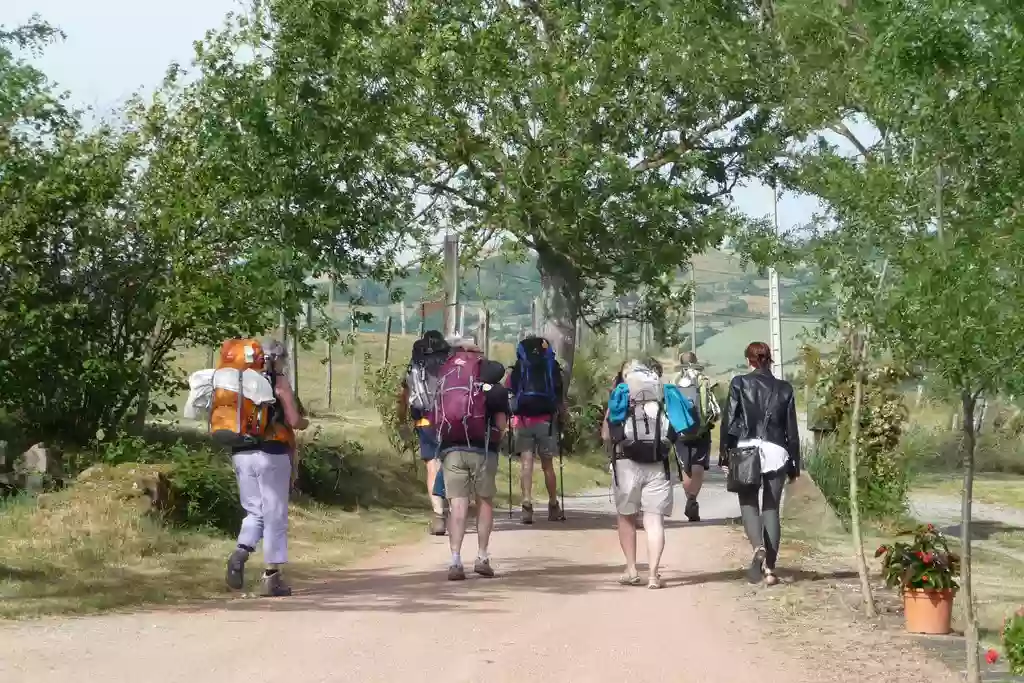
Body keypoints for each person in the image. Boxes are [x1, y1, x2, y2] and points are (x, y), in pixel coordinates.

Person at [225, 338, 309, 597]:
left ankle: (240, 551)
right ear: (277, 358)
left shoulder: (237, 380)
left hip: (241, 452)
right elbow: (293, 420)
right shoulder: (277, 380)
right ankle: (272, 577)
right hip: (271, 453)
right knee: (275, 514)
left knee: (254, 511)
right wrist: (304, 423)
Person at [719, 341, 800, 586]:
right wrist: (795, 463)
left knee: (748, 504)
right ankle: (770, 571)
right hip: (777, 451)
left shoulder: (739, 383)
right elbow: (792, 430)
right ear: (769, 359)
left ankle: (758, 548)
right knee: (772, 508)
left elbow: (729, 421)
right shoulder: (785, 388)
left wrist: (725, 453)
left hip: (746, 450)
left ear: (749, 360)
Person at [606, 358, 692, 589]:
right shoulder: (664, 392)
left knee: (626, 517)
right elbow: (681, 427)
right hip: (658, 464)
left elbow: (608, 434)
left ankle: (632, 569)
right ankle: (653, 575)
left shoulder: (621, 393)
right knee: (654, 521)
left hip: (626, 464)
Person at [437, 339, 510, 581]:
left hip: (451, 450)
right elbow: (501, 425)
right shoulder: (494, 388)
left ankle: (455, 560)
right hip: (483, 449)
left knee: (457, 505)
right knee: (484, 503)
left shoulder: (446, 379)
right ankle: (482, 556)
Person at [397, 330, 450, 536]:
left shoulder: (414, 367)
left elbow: (403, 397)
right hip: (448, 420)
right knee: (451, 463)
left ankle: (438, 516)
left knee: (432, 466)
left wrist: (401, 421)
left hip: (425, 421)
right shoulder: (449, 364)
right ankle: (455, 509)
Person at [507, 335, 565, 524]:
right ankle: (553, 505)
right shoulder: (552, 366)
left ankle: (526, 504)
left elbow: (510, 390)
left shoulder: (519, 367)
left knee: (526, 463)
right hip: (546, 421)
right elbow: (559, 393)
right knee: (547, 465)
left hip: (523, 420)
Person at [671, 351, 721, 522]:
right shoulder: (704, 380)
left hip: (680, 430)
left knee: (686, 466)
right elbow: (715, 410)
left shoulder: (674, 380)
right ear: (696, 362)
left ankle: (689, 498)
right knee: (698, 465)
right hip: (701, 430)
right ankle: (693, 498)